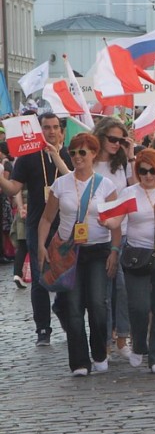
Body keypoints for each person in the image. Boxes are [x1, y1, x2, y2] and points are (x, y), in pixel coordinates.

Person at [38, 133, 121, 376]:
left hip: (97, 250)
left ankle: (99, 352)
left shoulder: (106, 185)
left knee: (97, 303)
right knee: (73, 306)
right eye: (73, 153)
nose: (76, 157)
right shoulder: (61, 184)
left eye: (82, 152)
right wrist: (41, 246)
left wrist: (114, 251)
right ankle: (79, 362)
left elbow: (116, 223)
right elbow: (46, 218)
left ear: (94, 154)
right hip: (68, 250)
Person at [101, 149, 155, 374]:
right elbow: (116, 220)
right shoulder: (130, 193)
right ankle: (139, 344)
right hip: (137, 254)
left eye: (152, 171)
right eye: (142, 171)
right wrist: (107, 223)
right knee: (138, 306)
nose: (148, 176)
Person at [0, 113, 72, 345]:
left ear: (61, 131)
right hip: (36, 224)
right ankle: (43, 328)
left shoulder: (71, 154)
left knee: (66, 276)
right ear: (38, 130)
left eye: (54, 127)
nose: (51, 131)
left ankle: (63, 310)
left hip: (66, 224)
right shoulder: (28, 156)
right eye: (46, 127)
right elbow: (13, 189)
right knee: (41, 277)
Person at [93, 117, 136, 359]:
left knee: (122, 288)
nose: (116, 144)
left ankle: (122, 337)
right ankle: (105, 340)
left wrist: (130, 156)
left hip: (123, 231)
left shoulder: (121, 163)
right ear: (100, 136)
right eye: (112, 139)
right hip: (96, 234)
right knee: (102, 293)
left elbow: (135, 189)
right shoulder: (88, 160)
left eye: (121, 140)